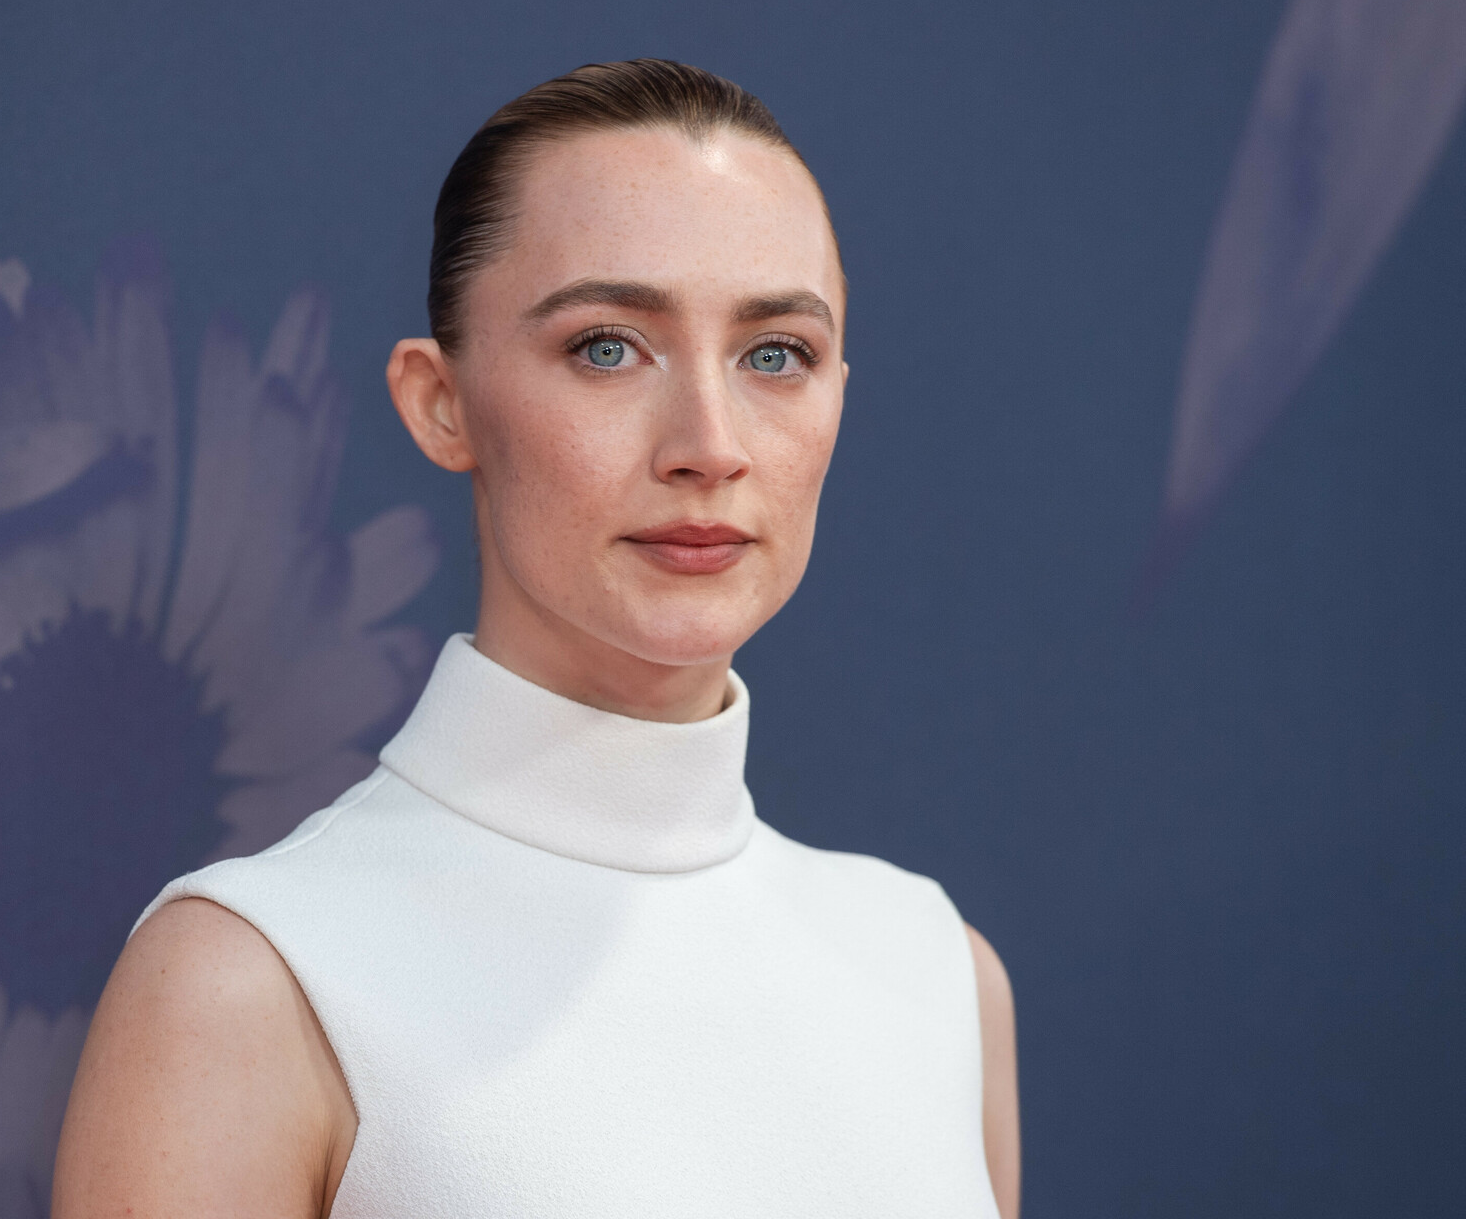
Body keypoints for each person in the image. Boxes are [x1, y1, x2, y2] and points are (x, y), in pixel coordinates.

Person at [51, 59, 1019, 1219]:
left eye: (776, 354)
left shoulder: (936, 976)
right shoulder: (250, 982)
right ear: (440, 401)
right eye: (608, 346)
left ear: (840, 395)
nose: (710, 444)